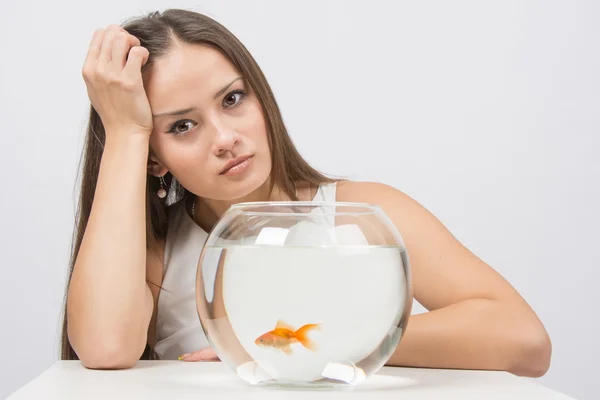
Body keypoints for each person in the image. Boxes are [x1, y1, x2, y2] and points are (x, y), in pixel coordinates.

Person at [62, 8, 551, 377]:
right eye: (183, 126)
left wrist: (321, 344)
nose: (225, 137)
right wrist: (125, 133)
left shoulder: (360, 216)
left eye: (233, 99)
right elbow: (106, 348)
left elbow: (524, 340)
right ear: (153, 156)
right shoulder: (155, 248)